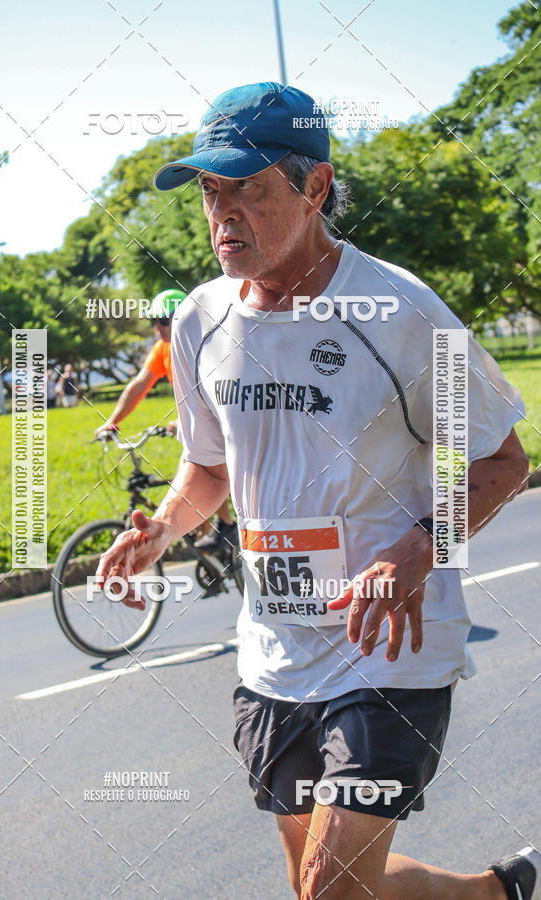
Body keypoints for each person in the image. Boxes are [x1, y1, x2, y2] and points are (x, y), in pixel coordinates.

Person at [95, 83, 539, 900]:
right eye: (211, 192)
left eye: (251, 190)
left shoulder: (403, 313)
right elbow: (212, 471)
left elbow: (500, 462)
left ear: (316, 188)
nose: (224, 214)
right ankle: (492, 893)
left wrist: (417, 550)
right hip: (274, 652)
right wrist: (161, 530)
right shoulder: (198, 321)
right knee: (321, 888)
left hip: (389, 649)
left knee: (332, 890)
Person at [95, 289, 236, 547]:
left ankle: (225, 528)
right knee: (195, 472)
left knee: (197, 471)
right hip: (195, 424)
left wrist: (183, 424)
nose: (157, 328)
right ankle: (217, 529)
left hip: (218, 423)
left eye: (163, 320)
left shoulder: (205, 344)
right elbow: (139, 386)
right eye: (153, 321)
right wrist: (112, 421)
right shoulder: (163, 349)